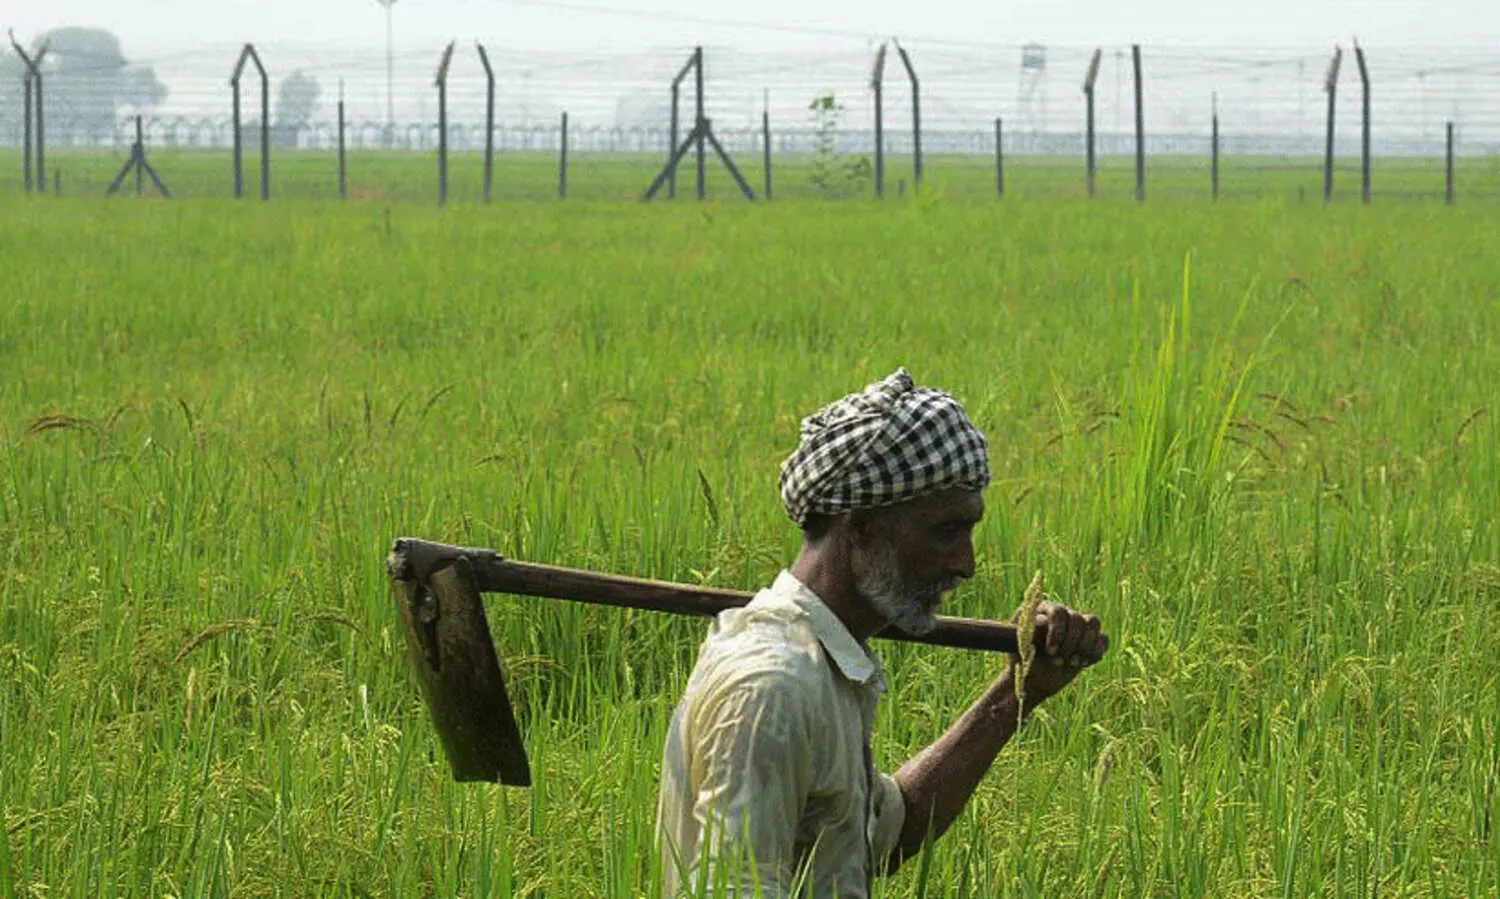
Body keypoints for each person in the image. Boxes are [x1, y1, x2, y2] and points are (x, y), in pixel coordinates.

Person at [656, 368, 1110, 898]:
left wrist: (1016, 694)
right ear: (863, 524)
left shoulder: (821, 665)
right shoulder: (773, 687)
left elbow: (887, 835)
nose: (966, 564)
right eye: (945, 530)